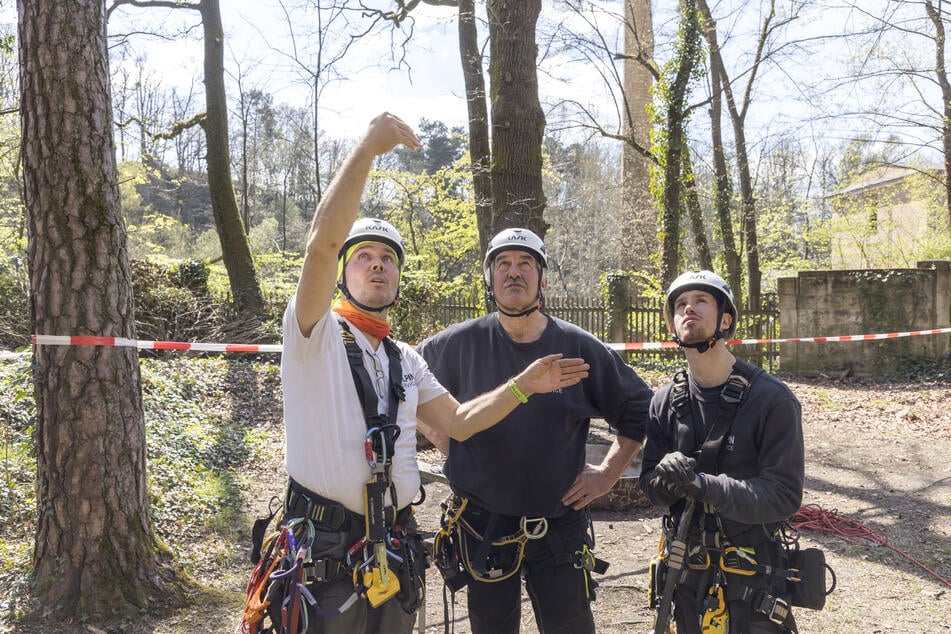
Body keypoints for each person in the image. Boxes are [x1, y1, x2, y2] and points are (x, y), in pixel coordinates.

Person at [258, 113, 591, 634]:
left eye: (387, 259)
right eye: (362, 257)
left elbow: (459, 422)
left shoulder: (403, 358)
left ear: (398, 276)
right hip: (323, 554)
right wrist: (367, 150)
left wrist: (523, 386)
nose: (376, 266)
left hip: (393, 549)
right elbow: (321, 243)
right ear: (341, 275)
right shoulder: (313, 337)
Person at [416, 227, 653, 634]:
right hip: (481, 524)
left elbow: (639, 408)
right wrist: (447, 440)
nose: (514, 273)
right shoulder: (454, 345)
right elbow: (409, 388)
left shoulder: (578, 348)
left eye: (526, 264)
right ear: (490, 279)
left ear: (543, 280)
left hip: (559, 525)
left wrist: (608, 474)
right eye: (503, 264)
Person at [639, 270, 804, 633]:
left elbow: (784, 494)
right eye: (680, 304)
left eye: (700, 301)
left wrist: (705, 486)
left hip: (752, 578)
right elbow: (649, 484)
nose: (688, 309)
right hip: (684, 575)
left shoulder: (771, 400)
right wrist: (666, 477)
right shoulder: (664, 402)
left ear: (725, 320)